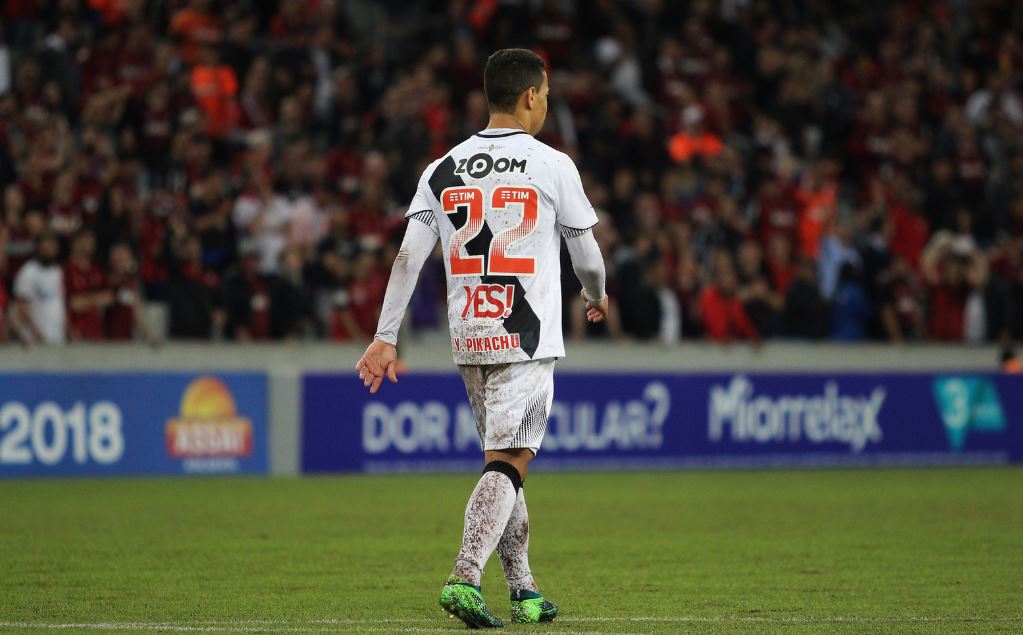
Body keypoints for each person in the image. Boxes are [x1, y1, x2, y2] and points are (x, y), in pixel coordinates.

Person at [355, 49, 608, 628]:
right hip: (526, 333)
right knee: (509, 464)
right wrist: (595, 298)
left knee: (504, 465)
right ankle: (464, 577)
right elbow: (588, 257)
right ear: (530, 97)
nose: (545, 103)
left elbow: (406, 258)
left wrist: (384, 336)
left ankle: (524, 590)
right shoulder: (552, 165)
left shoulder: (441, 169)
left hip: (469, 334)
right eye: (545, 94)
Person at [12, 232, 66, 345]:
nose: (51, 249)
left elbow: (59, 303)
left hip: (57, 338)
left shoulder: (57, 271)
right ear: (39, 247)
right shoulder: (28, 271)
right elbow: (21, 308)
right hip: (36, 339)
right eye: (48, 246)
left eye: (54, 246)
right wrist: (36, 333)